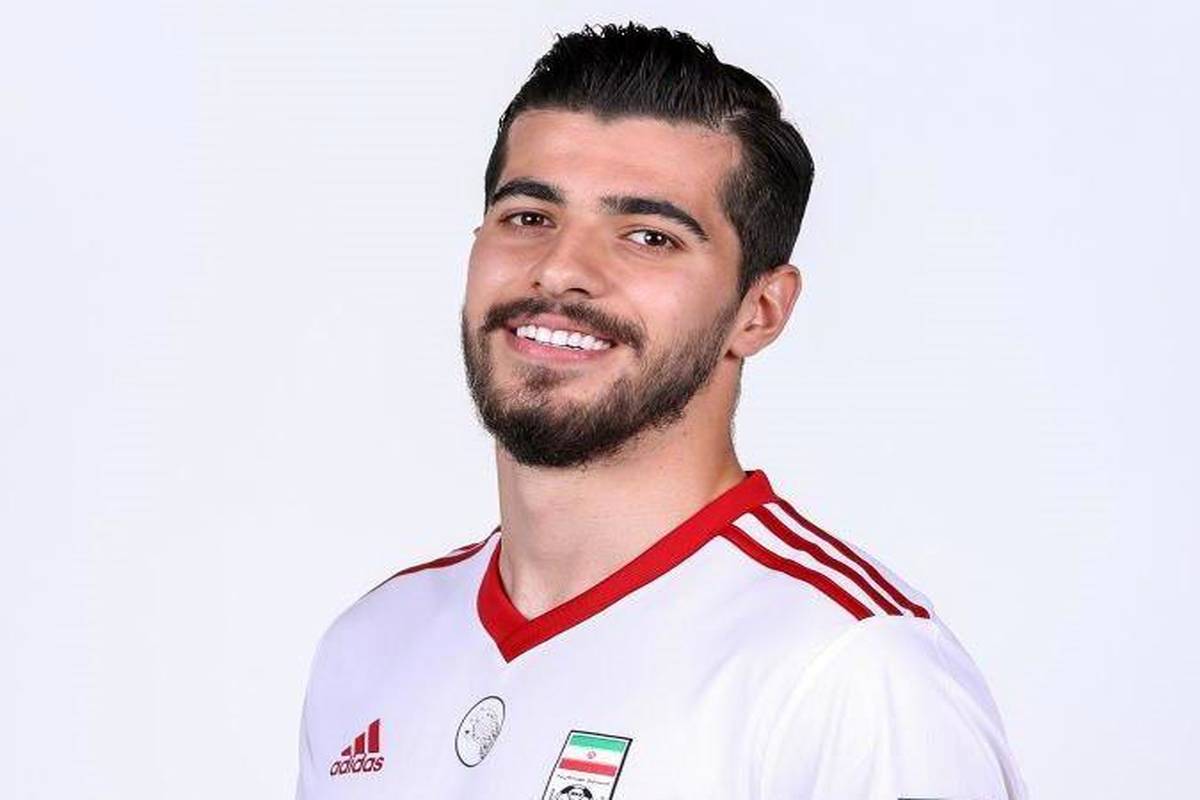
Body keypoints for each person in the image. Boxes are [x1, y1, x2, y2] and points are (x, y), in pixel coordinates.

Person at [294, 21, 1028, 799]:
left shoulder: (851, 673)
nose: (560, 270)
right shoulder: (372, 648)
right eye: (529, 218)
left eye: (648, 236)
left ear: (761, 310)